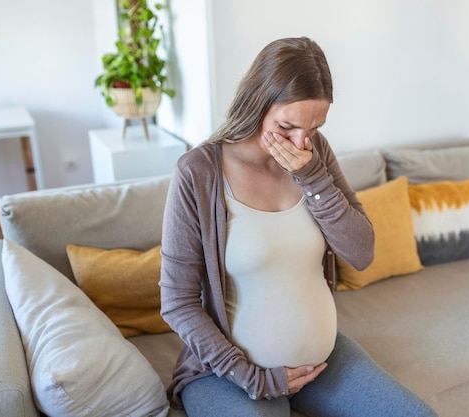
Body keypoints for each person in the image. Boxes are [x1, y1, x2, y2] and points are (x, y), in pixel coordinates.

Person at [159, 36, 438, 417]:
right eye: (287, 126)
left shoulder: (314, 154)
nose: (301, 141)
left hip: (321, 364)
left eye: (315, 127)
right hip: (227, 374)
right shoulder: (198, 172)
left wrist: (311, 177)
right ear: (256, 102)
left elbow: (362, 252)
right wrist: (254, 378)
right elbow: (178, 304)